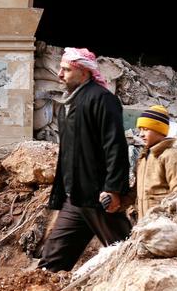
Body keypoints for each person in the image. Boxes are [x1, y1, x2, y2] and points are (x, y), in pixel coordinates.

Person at [38, 47, 131, 273]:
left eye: (67, 70)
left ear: (84, 73)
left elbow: (115, 146)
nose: (60, 74)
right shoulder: (69, 104)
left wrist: (113, 189)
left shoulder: (102, 100)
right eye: (60, 69)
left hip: (98, 197)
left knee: (126, 254)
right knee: (52, 261)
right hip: (76, 197)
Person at [134, 105, 177, 217]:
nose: (141, 134)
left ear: (159, 130)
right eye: (140, 129)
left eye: (146, 129)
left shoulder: (171, 156)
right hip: (145, 223)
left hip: (164, 225)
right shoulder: (144, 158)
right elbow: (136, 193)